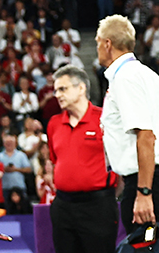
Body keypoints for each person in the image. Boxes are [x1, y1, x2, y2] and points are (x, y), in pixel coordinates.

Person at [96, 15, 159, 234]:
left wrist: (144, 192)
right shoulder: (147, 74)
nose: (97, 49)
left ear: (107, 44)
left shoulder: (125, 78)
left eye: (97, 42)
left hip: (147, 183)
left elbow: (146, 136)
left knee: (145, 246)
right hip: (148, 179)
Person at [47, 65, 117, 253]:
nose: (57, 95)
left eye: (63, 89)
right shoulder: (54, 124)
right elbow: (55, 160)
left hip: (98, 207)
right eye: (55, 90)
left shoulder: (105, 119)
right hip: (63, 207)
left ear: (81, 88)